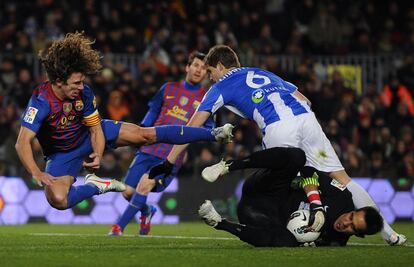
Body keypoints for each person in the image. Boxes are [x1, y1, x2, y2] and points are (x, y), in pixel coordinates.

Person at [149, 44, 405, 245]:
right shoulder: (262, 72)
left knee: (279, 182)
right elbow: (304, 99)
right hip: (306, 119)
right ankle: (389, 234)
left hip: (277, 127)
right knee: (343, 178)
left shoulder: (219, 87)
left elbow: (191, 128)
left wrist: (167, 162)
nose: (209, 77)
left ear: (218, 66)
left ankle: (293, 230)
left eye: (210, 72)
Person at [15, 33, 233, 212]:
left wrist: (98, 154)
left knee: (144, 134)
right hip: (62, 153)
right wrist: (36, 171)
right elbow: (22, 142)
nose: (81, 86)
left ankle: (213, 134)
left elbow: (95, 129)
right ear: (59, 82)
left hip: (90, 134)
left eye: (82, 81)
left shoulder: (85, 93)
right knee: (59, 200)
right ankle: (95, 185)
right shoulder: (41, 100)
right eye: (76, 83)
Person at [108, 51, 215, 236]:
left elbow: (208, 129)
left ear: (207, 73)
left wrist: (193, 148)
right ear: (187, 67)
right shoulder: (168, 88)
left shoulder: (207, 98)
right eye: (196, 65)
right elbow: (152, 114)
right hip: (148, 147)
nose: (199, 70)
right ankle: (147, 211)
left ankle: (118, 228)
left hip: (170, 156)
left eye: (204, 68)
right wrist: (139, 133)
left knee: (145, 184)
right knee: (127, 192)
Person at [198, 147, 384, 247]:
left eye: (352, 227)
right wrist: (316, 205)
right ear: (354, 210)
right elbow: (308, 171)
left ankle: (219, 222)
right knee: (297, 157)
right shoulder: (342, 197)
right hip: (267, 189)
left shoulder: (334, 241)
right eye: (351, 217)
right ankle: (228, 166)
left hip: (259, 216)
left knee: (287, 242)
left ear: (357, 235)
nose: (345, 223)